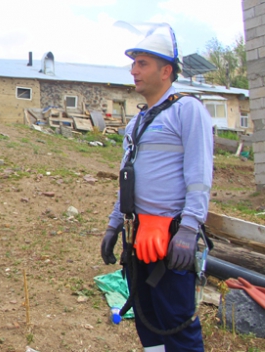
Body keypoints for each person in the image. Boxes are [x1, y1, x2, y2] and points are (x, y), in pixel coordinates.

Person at [100, 24, 213, 352]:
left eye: (142, 63)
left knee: (177, 325)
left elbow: (199, 175)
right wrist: (114, 224)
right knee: (148, 325)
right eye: (133, 63)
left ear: (166, 70)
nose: (134, 70)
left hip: (170, 242)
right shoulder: (137, 123)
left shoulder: (187, 110)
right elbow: (127, 177)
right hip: (138, 240)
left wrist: (189, 229)